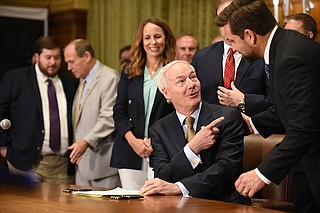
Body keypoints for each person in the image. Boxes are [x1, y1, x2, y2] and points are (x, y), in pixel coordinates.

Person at [216, 0, 320, 212]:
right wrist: (250, 125)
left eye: (233, 42)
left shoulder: (289, 59)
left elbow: (303, 128)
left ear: (250, 35)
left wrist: (260, 174)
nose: (233, 49)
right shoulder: (284, 46)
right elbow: (284, 108)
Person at [139, 60, 250, 205]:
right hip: (178, 205)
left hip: (223, 203)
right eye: (181, 81)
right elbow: (162, 175)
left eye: (193, 77)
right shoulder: (159, 129)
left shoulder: (227, 116)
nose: (191, 85)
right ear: (166, 93)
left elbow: (227, 167)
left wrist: (180, 187)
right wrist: (192, 149)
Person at [0, 36, 78, 184]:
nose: (53, 62)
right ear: (37, 57)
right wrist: (3, 147)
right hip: (25, 163)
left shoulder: (70, 81)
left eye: (56, 57)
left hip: (62, 165)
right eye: (48, 57)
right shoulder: (16, 79)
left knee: (61, 207)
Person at [111, 17, 176, 190]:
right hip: (129, 150)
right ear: (141, 41)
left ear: (166, 39)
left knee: (158, 204)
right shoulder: (129, 71)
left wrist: (154, 142)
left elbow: (180, 111)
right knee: (132, 204)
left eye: (157, 36)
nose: (152, 42)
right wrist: (134, 141)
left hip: (164, 150)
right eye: (147, 37)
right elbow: (119, 110)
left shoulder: (175, 69)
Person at [192, 0, 271, 117]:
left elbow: (275, 102)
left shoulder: (261, 54)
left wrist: (244, 100)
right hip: (211, 130)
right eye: (222, 19)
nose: (227, 25)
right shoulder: (202, 57)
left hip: (253, 129)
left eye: (230, 18)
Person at [64, 39, 120, 188]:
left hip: (102, 168)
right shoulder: (83, 80)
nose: (68, 67)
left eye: (71, 62)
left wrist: (85, 142)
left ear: (87, 56)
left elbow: (109, 118)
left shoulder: (110, 78)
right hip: (82, 166)